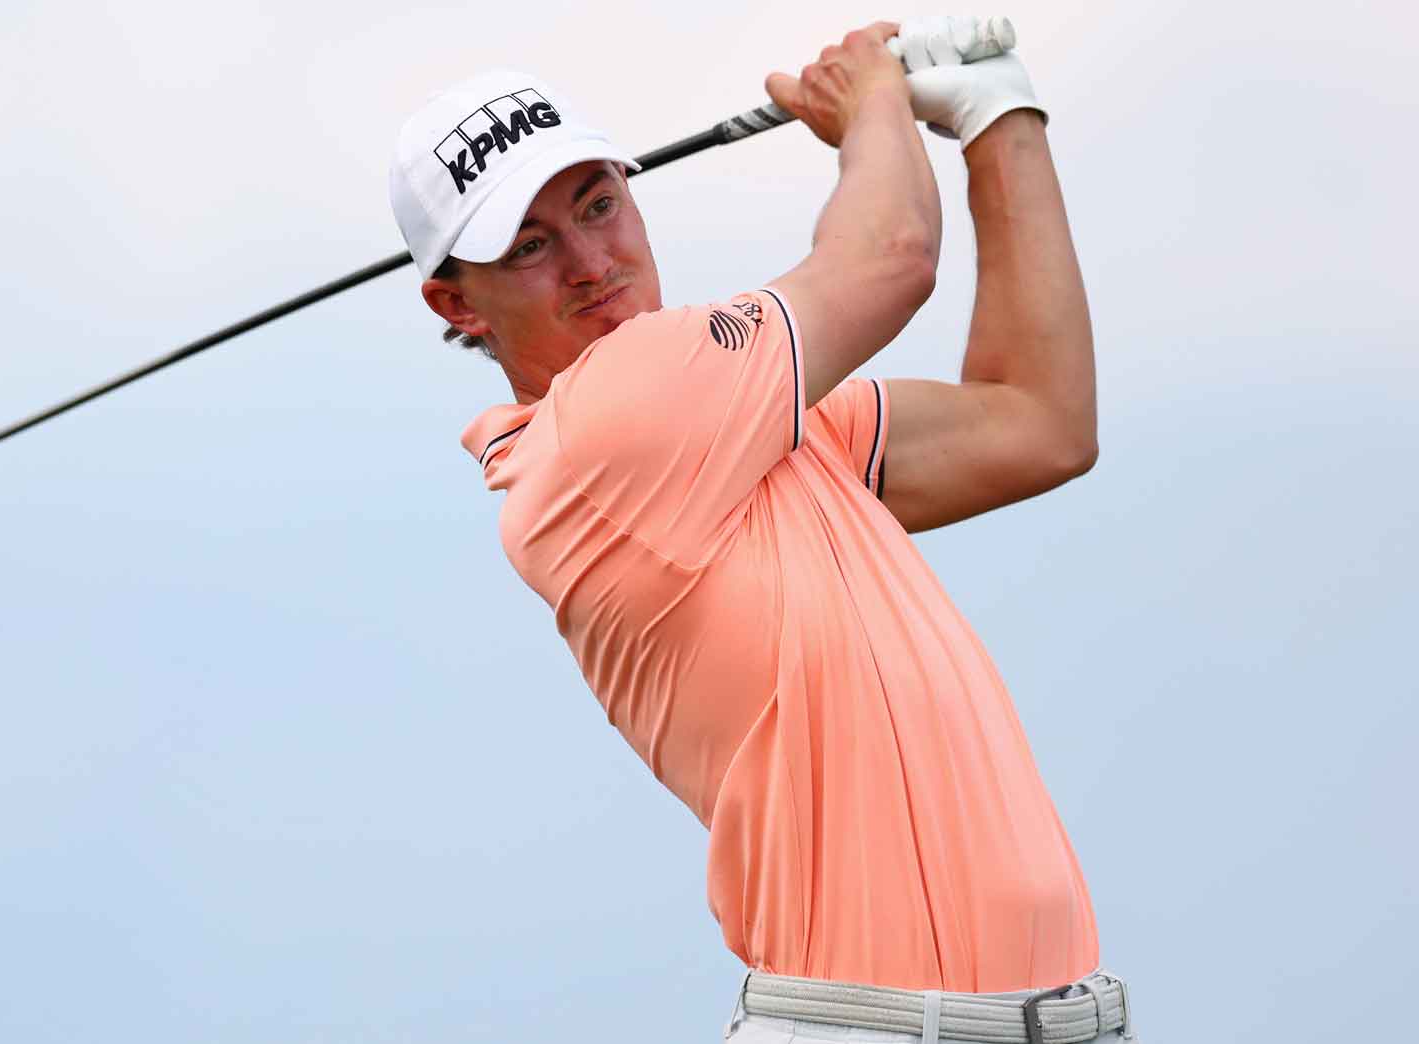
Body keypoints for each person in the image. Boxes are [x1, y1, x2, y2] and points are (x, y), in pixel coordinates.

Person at [387, 16, 1135, 1043]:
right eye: (529, 246)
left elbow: (1038, 421)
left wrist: (1001, 122)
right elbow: (892, 256)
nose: (590, 261)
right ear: (456, 304)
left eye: (599, 204)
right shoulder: (604, 423)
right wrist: (870, 98)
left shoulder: (757, 428)